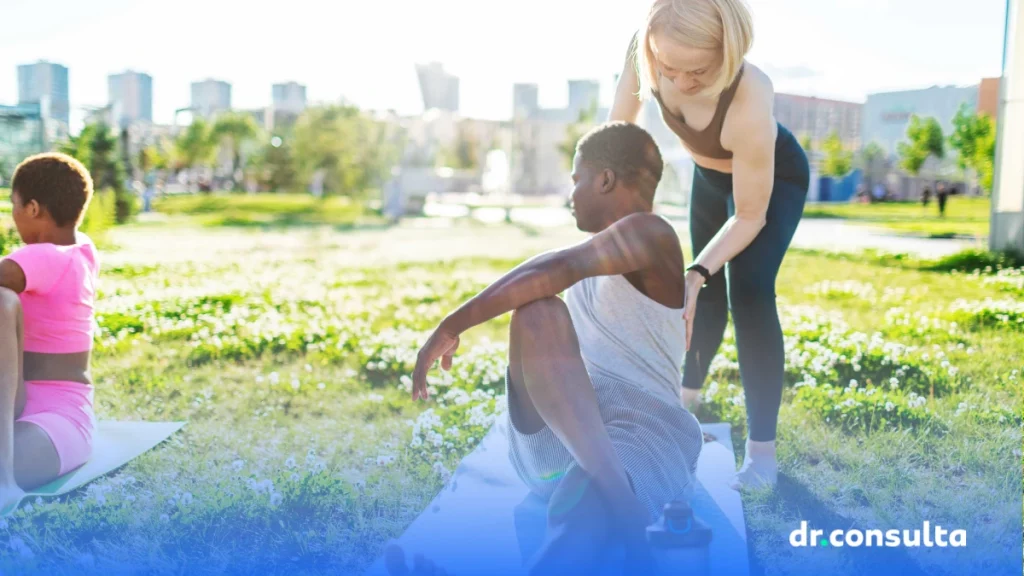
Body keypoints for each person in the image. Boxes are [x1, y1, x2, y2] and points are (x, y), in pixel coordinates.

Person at [388, 122, 703, 576]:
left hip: (641, 434)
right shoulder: (600, 251)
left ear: (606, 180)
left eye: (576, 178)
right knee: (537, 311)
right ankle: (616, 498)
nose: (570, 191)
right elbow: (557, 272)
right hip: (564, 438)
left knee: (585, 504)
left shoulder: (653, 234)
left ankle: (616, 506)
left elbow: (560, 265)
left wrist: (453, 324)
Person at [608, 0, 810, 490]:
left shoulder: (749, 94)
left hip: (770, 184)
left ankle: (762, 457)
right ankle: (686, 400)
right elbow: (617, 134)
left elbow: (749, 216)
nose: (678, 83)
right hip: (709, 177)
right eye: (668, 69)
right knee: (703, 299)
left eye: (695, 71)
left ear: (728, 50)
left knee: (749, 294)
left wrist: (696, 270)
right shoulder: (648, 49)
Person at [0, 153, 100, 511]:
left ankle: (5, 485)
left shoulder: (43, 257)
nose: (10, 219)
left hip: (53, 425)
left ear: (32, 208)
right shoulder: (82, 249)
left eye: (12, 206)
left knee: (2, 301)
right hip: (62, 423)